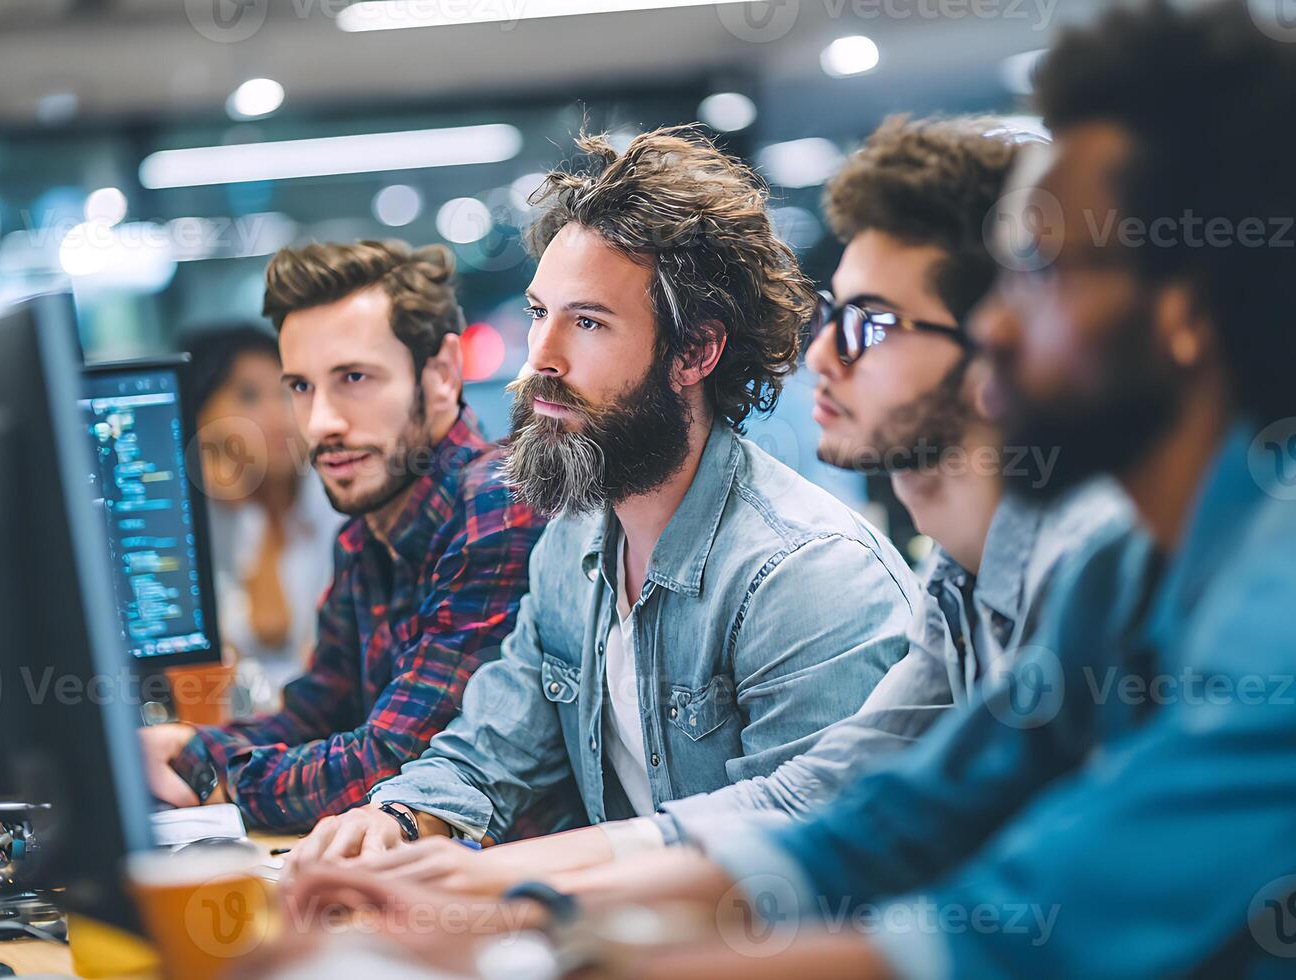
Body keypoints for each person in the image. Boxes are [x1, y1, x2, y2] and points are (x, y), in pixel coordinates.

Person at [287, 3, 1296, 976]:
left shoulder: (1271, 619)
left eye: (1047, 270)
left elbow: (1005, 933)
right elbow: (871, 822)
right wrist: (508, 912)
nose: (1001, 327)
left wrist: (521, 944)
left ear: (1184, 314)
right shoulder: (1104, 576)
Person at [330, 115, 1130, 895]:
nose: (823, 355)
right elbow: (822, 806)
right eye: (540, 314)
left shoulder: (851, 576)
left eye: (871, 325)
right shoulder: (962, 589)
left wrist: (515, 899)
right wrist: (433, 843)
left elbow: (837, 873)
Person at [284, 125, 921, 872]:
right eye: (536, 313)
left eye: (586, 322)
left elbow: (797, 845)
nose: (539, 360)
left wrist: (501, 877)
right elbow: (489, 748)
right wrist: (397, 815)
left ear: (695, 352)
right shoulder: (573, 543)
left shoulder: (809, 577)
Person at [138, 240, 549, 832]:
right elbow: (316, 713)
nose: (321, 422)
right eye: (300, 387)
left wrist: (218, 773)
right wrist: (185, 748)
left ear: (440, 374)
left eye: (354, 377)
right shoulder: (363, 536)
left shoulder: (496, 505)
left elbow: (392, 759)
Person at [181, 323, 344, 709]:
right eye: (249, 396)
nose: (278, 414)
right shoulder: (185, 522)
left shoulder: (334, 499)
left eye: (288, 390)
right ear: (199, 413)